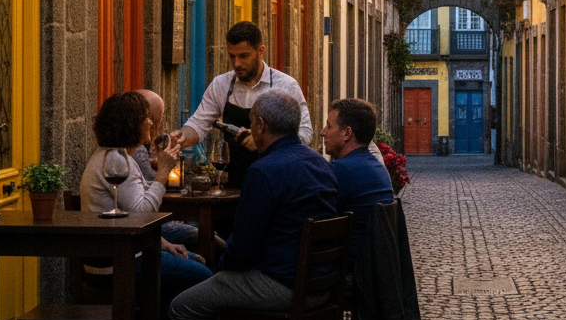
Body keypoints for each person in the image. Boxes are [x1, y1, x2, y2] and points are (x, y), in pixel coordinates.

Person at [169, 89, 338, 320]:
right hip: (320, 284)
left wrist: (221, 262)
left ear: (261, 125)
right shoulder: (318, 162)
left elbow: (242, 253)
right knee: (237, 291)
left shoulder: (264, 171)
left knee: (182, 308)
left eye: (249, 123)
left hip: (283, 285)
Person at [81, 91, 213, 320]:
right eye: (146, 118)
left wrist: (163, 244)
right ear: (131, 124)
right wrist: (164, 172)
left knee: (187, 266)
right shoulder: (118, 162)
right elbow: (142, 213)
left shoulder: (111, 157)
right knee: (202, 277)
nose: (151, 123)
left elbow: (129, 219)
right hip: (118, 264)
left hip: (117, 256)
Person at [170, 21, 312, 189]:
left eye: (244, 56)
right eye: (232, 56)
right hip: (235, 182)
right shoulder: (221, 84)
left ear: (260, 52)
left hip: (278, 180)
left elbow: (305, 133)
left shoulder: (286, 85)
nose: (236, 63)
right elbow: (199, 123)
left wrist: (264, 142)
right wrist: (180, 138)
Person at [320, 98, 394, 262]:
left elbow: (312, 221)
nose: (322, 132)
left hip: (346, 277)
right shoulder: (377, 167)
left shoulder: (341, 171)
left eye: (329, 126)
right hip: (371, 273)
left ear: (347, 133)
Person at [132, 89, 203, 253]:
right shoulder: (133, 149)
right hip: (145, 228)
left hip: (146, 226)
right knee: (198, 234)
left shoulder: (141, 146)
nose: (154, 124)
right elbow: (151, 189)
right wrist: (164, 167)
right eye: (155, 120)